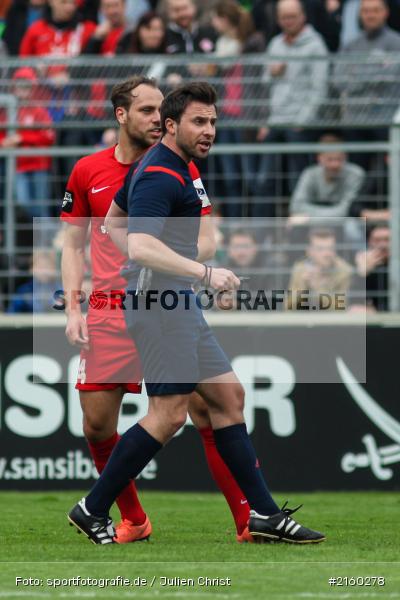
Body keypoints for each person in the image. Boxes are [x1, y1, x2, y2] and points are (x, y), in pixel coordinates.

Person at [68, 81, 325, 546]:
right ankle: (92, 507)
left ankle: (263, 515)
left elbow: (112, 225)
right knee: (168, 416)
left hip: (172, 302)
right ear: (171, 125)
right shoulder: (161, 175)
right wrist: (205, 273)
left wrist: (163, 269)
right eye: (199, 122)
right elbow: (142, 245)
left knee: (228, 398)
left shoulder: (168, 166)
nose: (209, 131)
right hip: (161, 306)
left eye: (213, 122)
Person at [61, 76, 251, 544]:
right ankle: (132, 519)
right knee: (98, 424)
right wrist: (72, 307)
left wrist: (176, 263)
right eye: (146, 110)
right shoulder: (88, 171)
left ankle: (249, 521)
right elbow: (72, 244)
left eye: (159, 110)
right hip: (107, 310)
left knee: (209, 408)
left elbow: (207, 240)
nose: (154, 119)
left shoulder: (179, 169)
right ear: (121, 115)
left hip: (161, 303)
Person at [255, 0, 329, 218]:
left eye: (292, 16)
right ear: (278, 19)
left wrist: (303, 121)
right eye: (284, 17)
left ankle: (298, 236)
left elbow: (320, 88)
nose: (288, 21)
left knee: (297, 183)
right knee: (265, 180)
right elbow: (265, 85)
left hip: (300, 124)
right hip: (275, 121)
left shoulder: (316, 45)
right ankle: (260, 237)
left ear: (303, 16)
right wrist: (265, 122)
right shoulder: (275, 43)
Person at [0, 67, 55, 219]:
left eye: (27, 86)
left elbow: (49, 136)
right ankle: (41, 231)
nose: (23, 90)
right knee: (22, 202)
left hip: (40, 164)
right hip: (19, 166)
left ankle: (45, 239)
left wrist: (22, 138)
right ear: (14, 87)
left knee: (42, 206)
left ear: (33, 88)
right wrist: (5, 142)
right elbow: (3, 136)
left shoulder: (39, 111)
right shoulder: (7, 111)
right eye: (20, 85)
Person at [286, 228, 353, 310]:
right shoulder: (300, 268)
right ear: (309, 252)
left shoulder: (344, 271)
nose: (327, 254)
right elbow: (289, 307)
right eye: (320, 249)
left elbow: (341, 308)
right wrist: (304, 285)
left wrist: (317, 288)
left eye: (330, 248)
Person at [354, 222, 390, 311]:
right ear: (369, 242)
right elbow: (354, 300)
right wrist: (362, 273)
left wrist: (376, 310)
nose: (382, 245)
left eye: (387, 239)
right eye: (377, 240)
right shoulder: (363, 262)